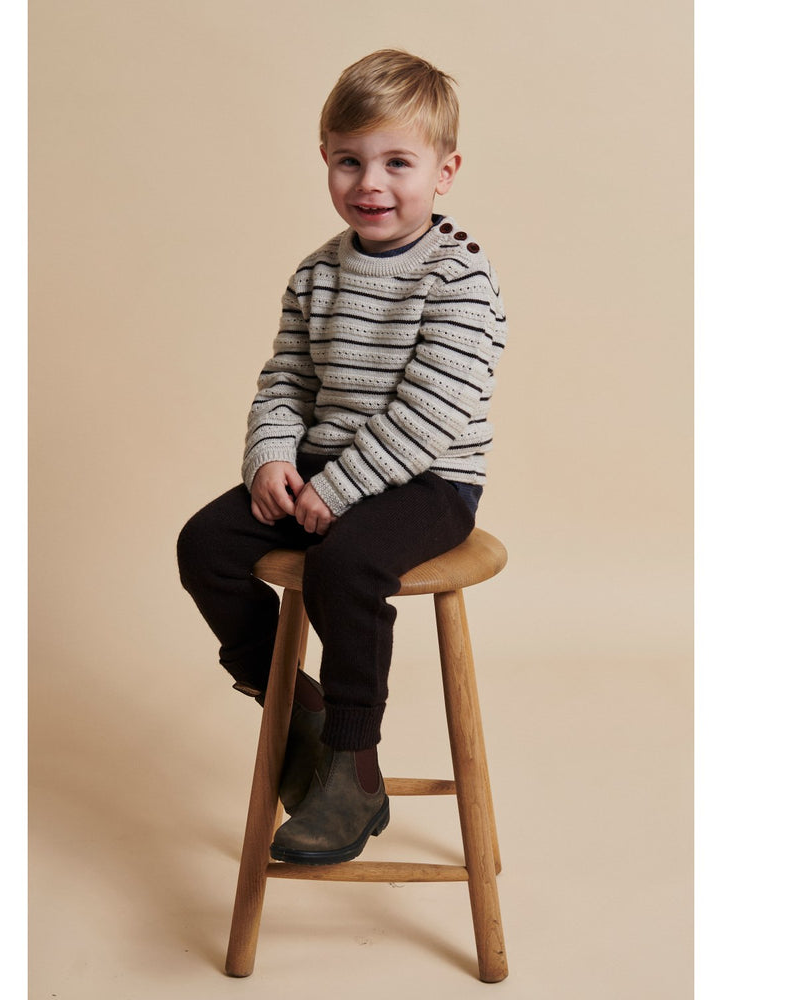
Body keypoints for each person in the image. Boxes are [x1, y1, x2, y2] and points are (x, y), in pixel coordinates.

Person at [177, 49, 507, 866]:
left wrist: (345, 488)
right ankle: (293, 703)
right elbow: (286, 379)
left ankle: (353, 764)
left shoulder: (458, 277)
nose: (371, 183)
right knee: (206, 544)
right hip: (322, 467)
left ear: (444, 172)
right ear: (325, 158)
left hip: (428, 480)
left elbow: (431, 413)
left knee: (346, 564)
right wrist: (270, 458)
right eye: (350, 161)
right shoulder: (317, 272)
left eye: (398, 163)